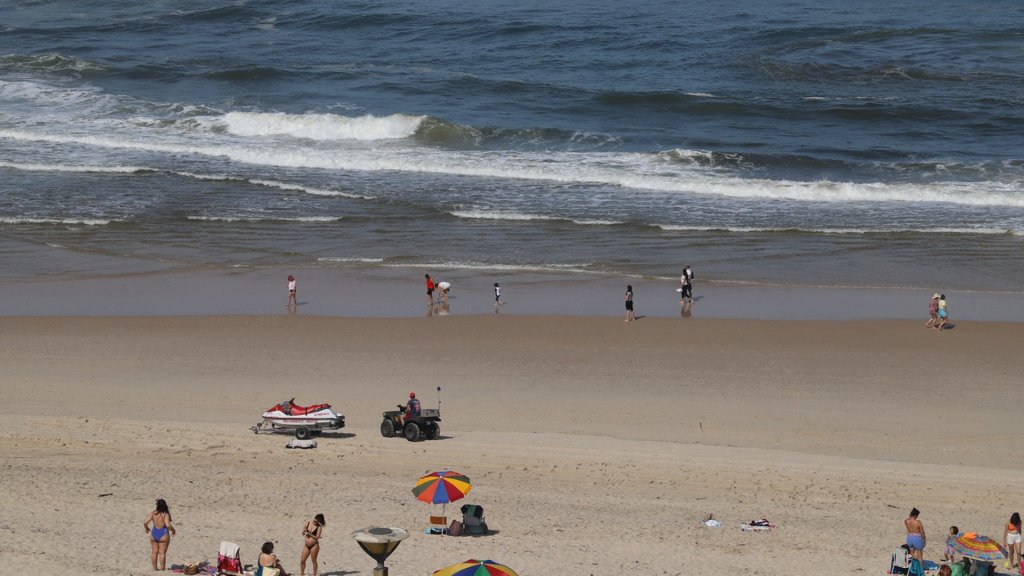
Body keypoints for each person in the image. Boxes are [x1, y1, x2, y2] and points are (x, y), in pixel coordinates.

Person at [143, 498, 176, 571]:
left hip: (154, 533)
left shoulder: (153, 513)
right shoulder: (165, 514)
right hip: (163, 534)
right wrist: (173, 530)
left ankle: (155, 569)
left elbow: (145, 522)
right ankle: (162, 569)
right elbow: (168, 525)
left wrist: (147, 529)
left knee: (154, 552)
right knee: (162, 553)